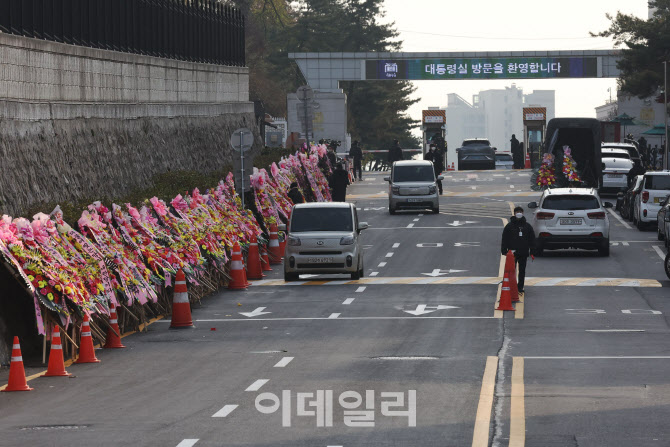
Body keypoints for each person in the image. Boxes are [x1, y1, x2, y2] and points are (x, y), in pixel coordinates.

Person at [501, 206, 536, 294]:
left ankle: (520, 287)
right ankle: (511, 286)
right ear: (514, 213)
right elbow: (504, 239)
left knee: (522, 271)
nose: (518, 213)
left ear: (522, 213)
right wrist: (504, 250)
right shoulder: (509, 226)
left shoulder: (527, 226)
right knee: (511, 270)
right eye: (517, 212)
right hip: (512, 252)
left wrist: (532, 251)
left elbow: (532, 239)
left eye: (520, 211)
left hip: (523, 252)